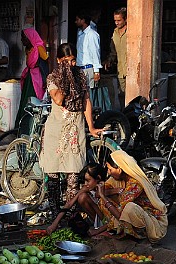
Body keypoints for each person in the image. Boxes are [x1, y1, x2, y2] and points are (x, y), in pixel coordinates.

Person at [39, 42, 103, 219]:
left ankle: (72, 216)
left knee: (73, 176)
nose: (71, 65)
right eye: (66, 61)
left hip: (75, 129)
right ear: (59, 60)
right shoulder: (52, 78)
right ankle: (54, 213)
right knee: (52, 174)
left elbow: (86, 101)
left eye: (73, 60)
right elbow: (59, 100)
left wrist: (90, 126)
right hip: (56, 129)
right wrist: (66, 78)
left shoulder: (81, 76)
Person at [94, 151, 168, 242]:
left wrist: (104, 195)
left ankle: (140, 235)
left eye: (110, 169)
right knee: (103, 201)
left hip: (153, 223)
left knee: (129, 208)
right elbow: (98, 194)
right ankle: (122, 232)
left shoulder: (136, 182)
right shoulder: (117, 179)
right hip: (135, 215)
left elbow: (121, 212)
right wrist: (112, 192)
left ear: (119, 170)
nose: (108, 173)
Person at [45, 163, 107, 235]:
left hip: (107, 220)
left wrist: (101, 195)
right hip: (97, 219)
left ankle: (100, 228)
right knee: (81, 196)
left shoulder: (108, 186)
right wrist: (55, 223)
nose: (85, 184)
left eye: (88, 180)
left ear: (98, 178)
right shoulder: (86, 188)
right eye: (84, 181)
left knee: (84, 197)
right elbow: (69, 204)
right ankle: (96, 225)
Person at [17, 28, 49, 125]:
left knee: (34, 101)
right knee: (25, 100)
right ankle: (23, 124)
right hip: (29, 77)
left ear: (29, 38)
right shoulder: (28, 49)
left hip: (37, 78)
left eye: (24, 38)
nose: (22, 40)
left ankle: (32, 124)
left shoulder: (39, 48)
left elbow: (47, 62)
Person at [74, 13, 101, 90]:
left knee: (90, 95)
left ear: (83, 20)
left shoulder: (92, 34)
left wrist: (96, 71)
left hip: (88, 69)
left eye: (77, 20)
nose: (76, 22)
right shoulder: (80, 34)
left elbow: (95, 52)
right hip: (80, 69)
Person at [108, 7, 128, 108]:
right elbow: (113, 51)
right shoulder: (115, 32)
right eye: (115, 20)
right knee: (121, 95)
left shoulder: (131, 32)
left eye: (119, 20)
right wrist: (109, 61)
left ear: (125, 19)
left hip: (130, 70)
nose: (117, 23)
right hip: (120, 71)